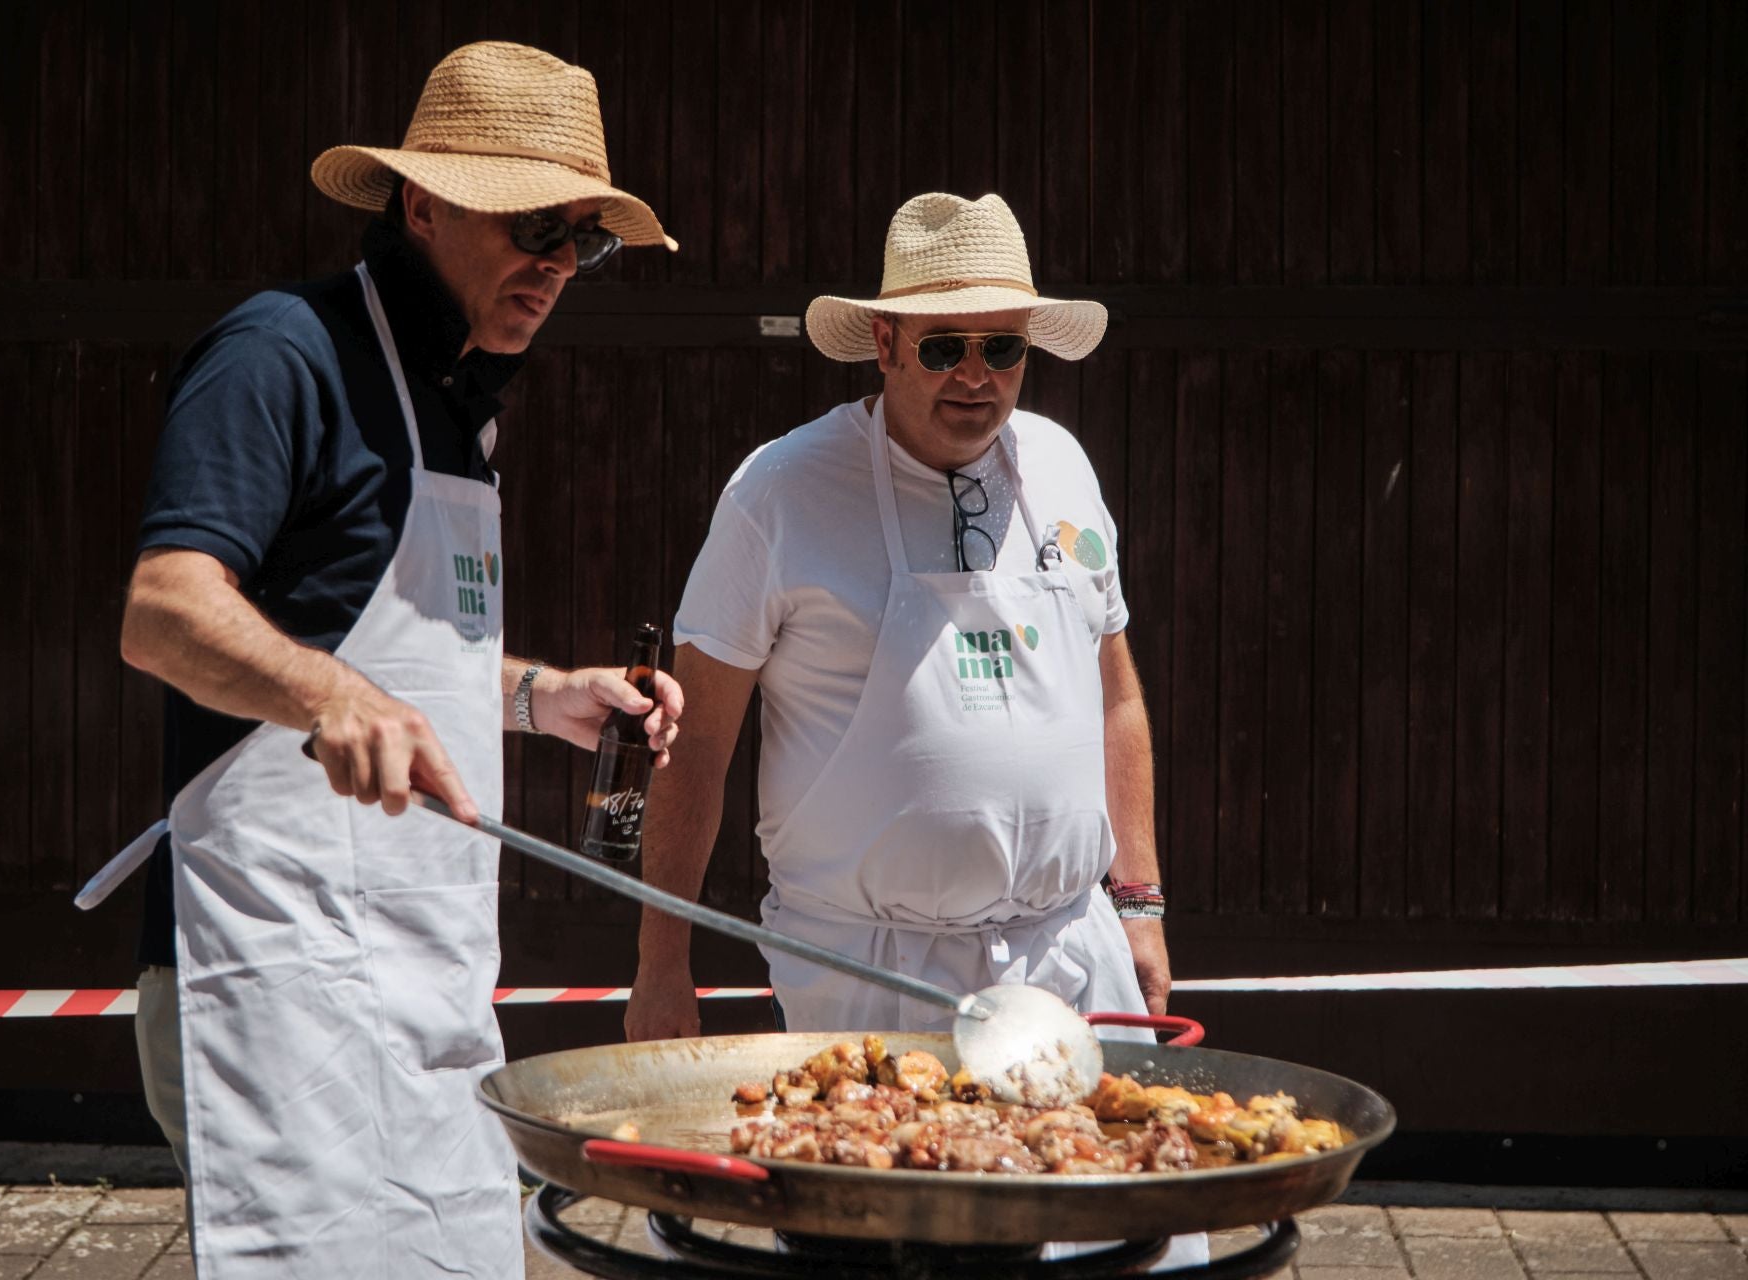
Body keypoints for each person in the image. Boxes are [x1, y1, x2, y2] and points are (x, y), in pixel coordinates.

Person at [76, 42, 681, 1280]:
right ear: (422, 203)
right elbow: (165, 610)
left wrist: (539, 696)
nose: (559, 263)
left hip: (426, 960)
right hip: (273, 957)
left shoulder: (463, 400)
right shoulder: (279, 352)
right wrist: (326, 693)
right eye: (533, 225)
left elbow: (398, 650)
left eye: (585, 240)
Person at [624, 193, 1201, 1265]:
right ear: (881, 343)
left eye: (1003, 347)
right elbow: (697, 746)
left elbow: (1115, 693)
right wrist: (663, 964)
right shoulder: (780, 491)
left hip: (1063, 960)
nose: (975, 375)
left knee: (1110, 1243)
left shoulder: (1064, 467)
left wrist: (1143, 903)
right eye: (944, 344)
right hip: (868, 980)